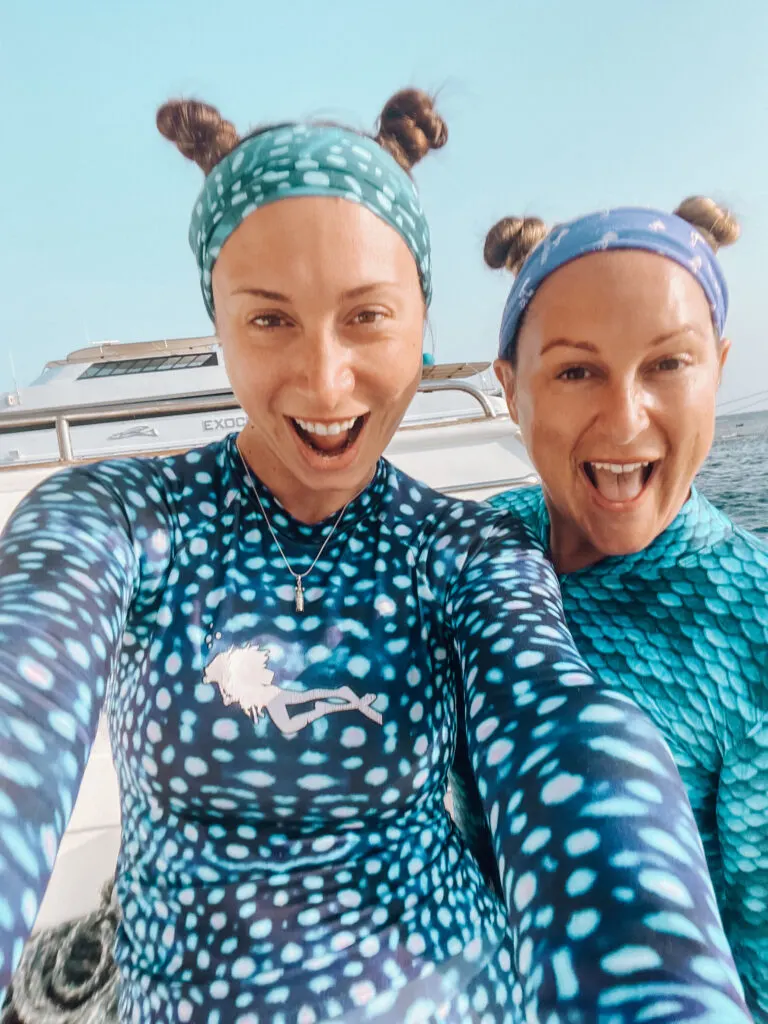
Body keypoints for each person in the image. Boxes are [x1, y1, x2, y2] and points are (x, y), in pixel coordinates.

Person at [0, 89, 754, 1023]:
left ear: (419, 322)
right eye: (271, 320)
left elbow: (569, 735)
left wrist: (657, 986)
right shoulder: (115, 515)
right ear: (220, 325)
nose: (325, 379)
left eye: (365, 317)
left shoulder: (468, 549)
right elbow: (21, 686)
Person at [485, 198, 768, 1021]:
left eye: (668, 365)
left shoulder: (749, 619)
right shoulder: (477, 549)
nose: (625, 417)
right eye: (576, 371)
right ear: (510, 390)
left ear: (717, 369)